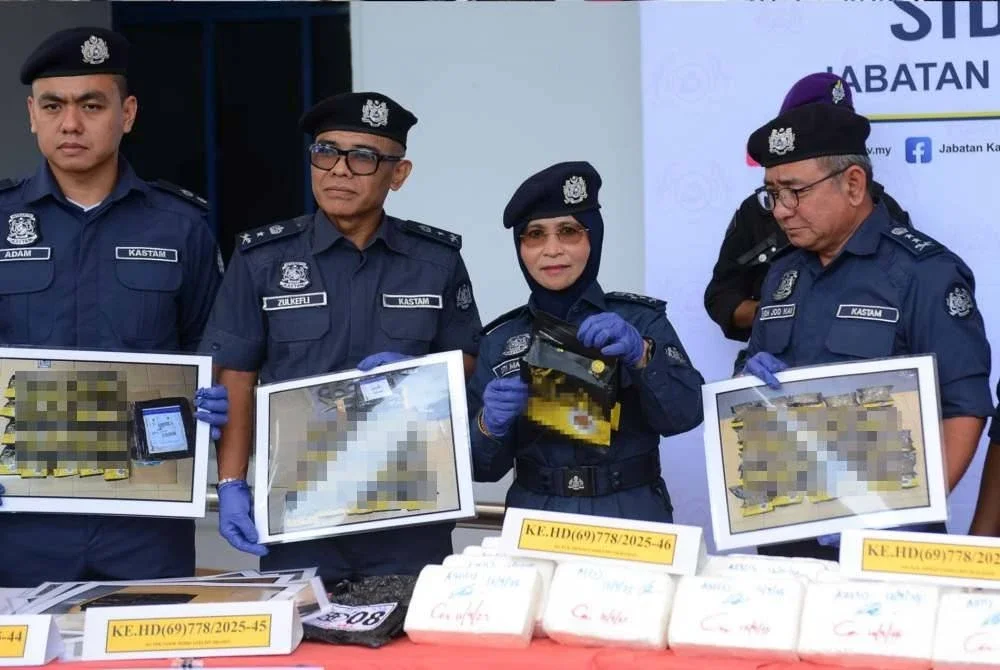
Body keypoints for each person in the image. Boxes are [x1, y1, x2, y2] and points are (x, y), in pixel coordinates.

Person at [201, 91, 482, 585]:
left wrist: (418, 377)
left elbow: (469, 360)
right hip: (299, 506)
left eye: (363, 157)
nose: (339, 170)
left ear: (399, 173)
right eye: (326, 152)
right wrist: (230, 485)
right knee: (305, 646)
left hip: (407, 505)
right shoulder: (262, 260)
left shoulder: (435, 261)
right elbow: (237, 379)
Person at [0, 27, 228, 587]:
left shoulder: (180, 227)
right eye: (53, 106)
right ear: (32, 115)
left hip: (144, 511)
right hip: (18, 513)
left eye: (91, 105)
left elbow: (215, 346)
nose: (70, 123)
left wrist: (216, 405)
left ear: (126, 114)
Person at [740, 103, 992, 559]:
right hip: (786, 528)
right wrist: (748, 385)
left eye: (794, 191)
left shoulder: (924, 273)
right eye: (772, 194)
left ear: (853, 184)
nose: (780, 210)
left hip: (886, 544)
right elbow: (755, 383)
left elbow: (962, 409)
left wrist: (895, 512)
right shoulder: (782, 275)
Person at [467, 161, 704, 520]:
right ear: (520, 248)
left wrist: (642, 356)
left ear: (593, 238)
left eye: (568, 231)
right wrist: (488, 425)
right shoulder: (500, 341)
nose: (552, 249)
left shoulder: (640, 320)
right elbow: (482, 470)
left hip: (631, 514)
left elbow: (686, 416)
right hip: (537, 518)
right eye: (535, 235)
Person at [704, 73, 909, 373]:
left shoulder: (884, 211)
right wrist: (778, 313)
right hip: (780, 382)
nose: (784, 212)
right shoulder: (760, 212)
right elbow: (721, 296)